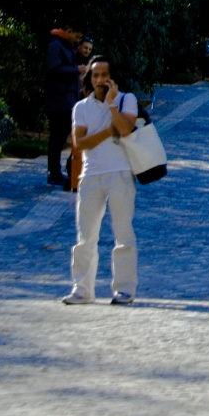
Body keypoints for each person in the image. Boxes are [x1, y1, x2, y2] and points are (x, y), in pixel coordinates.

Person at [60, 58, 142, 305]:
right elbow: (80, 143)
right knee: (85, 236)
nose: (99, 80)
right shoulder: (81, 108)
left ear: (113, 78)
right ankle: (82, 289)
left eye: (104, 75)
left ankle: (124, 288)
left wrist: (111, 107)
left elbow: (126, 130)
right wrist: (109, 131)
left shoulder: (127, 100)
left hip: (120, 174)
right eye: (95, 75)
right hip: (90, 174)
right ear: (89, 78)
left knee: (123, 233)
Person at [44, 24, 84, 188]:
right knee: (57, 139)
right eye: (77, 36)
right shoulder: (56, 46)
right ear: (69, 31)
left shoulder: (67, 46)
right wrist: (77, 70)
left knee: (64, 138)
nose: (78, 40)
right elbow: (53, 70)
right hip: (59, 101)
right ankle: (54, 173)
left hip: (68, 100)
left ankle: (64, 170)